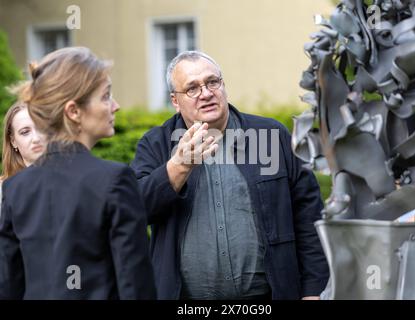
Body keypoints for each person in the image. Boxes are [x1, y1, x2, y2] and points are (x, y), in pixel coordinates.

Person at [131, 50, 329, 300]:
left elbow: (308, 215)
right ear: (175, 100)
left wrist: (313, 291)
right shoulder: (156, 144)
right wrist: (178, 166)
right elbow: (135, 210)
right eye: (192, 88)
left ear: (223, 85)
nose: (206, 93)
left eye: (212, 82)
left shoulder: (270, 136)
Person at [0, 47, 154, 299]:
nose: (115, 106)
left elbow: (9, 288)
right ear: (73, 111)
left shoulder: (16, 188)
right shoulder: (115, 181)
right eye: (105, 96)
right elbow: (137, 289)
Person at [0, 101, 47, 218]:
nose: (36, 138)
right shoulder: (2, 191)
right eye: (25, 132)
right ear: (13, 141)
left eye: (41, 128)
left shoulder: (73, 181)